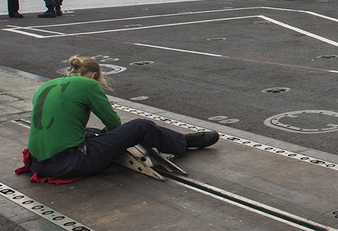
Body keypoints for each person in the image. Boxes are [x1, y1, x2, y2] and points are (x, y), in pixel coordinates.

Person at [24, 56, 219, 180]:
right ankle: (183, 142)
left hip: (38, 164)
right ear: (93, 75)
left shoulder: (47, 85)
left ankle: (177, 140)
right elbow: (113, 124)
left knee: (92, 132)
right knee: (140, 126)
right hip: (69, 164)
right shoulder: (88, 84)